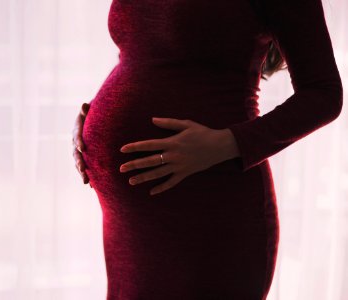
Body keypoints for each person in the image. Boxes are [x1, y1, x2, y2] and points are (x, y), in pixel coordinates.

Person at [72, 0, 343, 299]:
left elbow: (324, 94)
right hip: (128, 225)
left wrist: (227, 143)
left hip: (207, 210)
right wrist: (91, 120)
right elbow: (148, 56)